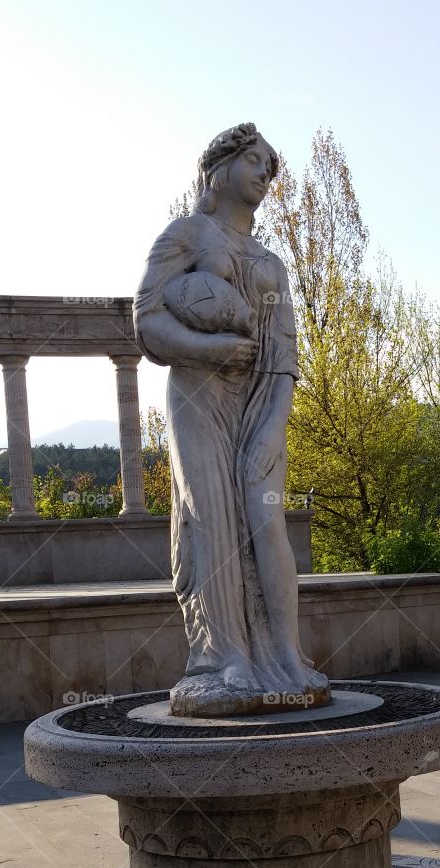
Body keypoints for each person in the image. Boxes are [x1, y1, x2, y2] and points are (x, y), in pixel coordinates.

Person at [134, 122, 330, 715]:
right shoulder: (187, 234)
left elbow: (285, 354)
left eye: (270, 165)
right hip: (198, 395)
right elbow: (145, 321)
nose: (265, 173)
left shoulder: (273, 263)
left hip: (261, 400)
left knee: (267, 520)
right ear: (217, 168)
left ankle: (287, 654)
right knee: (213, 519)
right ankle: (228, 659)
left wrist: (275, 422)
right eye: (254, 159)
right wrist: (210, 350)